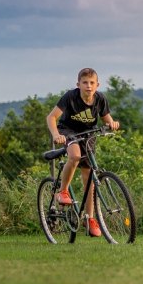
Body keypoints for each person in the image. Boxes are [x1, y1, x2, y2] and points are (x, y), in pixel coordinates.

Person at [46, 68, 120, 237]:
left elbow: (107, 119)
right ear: (78, 84)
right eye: (85, 83)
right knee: (75, 156)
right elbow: (51, 117)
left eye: (92, 83)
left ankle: (90, 218)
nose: (88, 86)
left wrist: (113, 124)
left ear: (97, 85)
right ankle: (62, 191)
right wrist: (56, 135)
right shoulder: (70, 97)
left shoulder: (100, 99)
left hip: (88, 134)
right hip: (68, 131)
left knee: (90, 179)